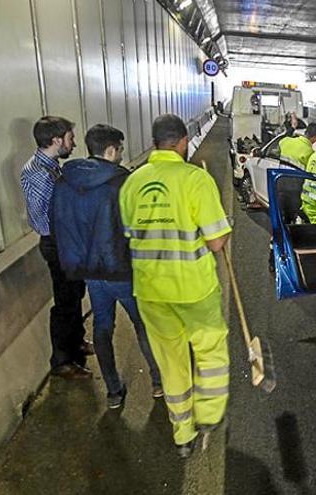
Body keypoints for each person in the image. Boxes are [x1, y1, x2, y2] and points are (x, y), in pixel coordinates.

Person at [120, 114, 232, 458]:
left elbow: (130, 234)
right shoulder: (196, 180)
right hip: (194, 288)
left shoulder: (132, 184)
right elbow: (216, 242)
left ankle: (182, 434)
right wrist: (223, 227)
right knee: (210, 350)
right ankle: (209, 417)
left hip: (151, 291)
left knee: (171, 362)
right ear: (183, 141)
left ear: (155, 142)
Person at [52, 124, 164, 409]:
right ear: (112, 150)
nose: (121, 156)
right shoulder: (122, 183)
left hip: (89, 272)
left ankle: (114, 391)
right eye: (120, 150)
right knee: (143, 324)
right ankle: (158, 382)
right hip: (121, 270)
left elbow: (59, 225)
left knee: (102, 327)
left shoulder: (65, 182)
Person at [20, 116, 92, 380]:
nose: (73, 145)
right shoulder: (39, 173)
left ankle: (77, 343)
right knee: (65, 302)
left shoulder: (51, 167)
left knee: (74, 294)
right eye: (70, 139)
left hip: (66, 241)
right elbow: (44, 219)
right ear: (56, 140)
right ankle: (62, 360)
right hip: (57, 243)